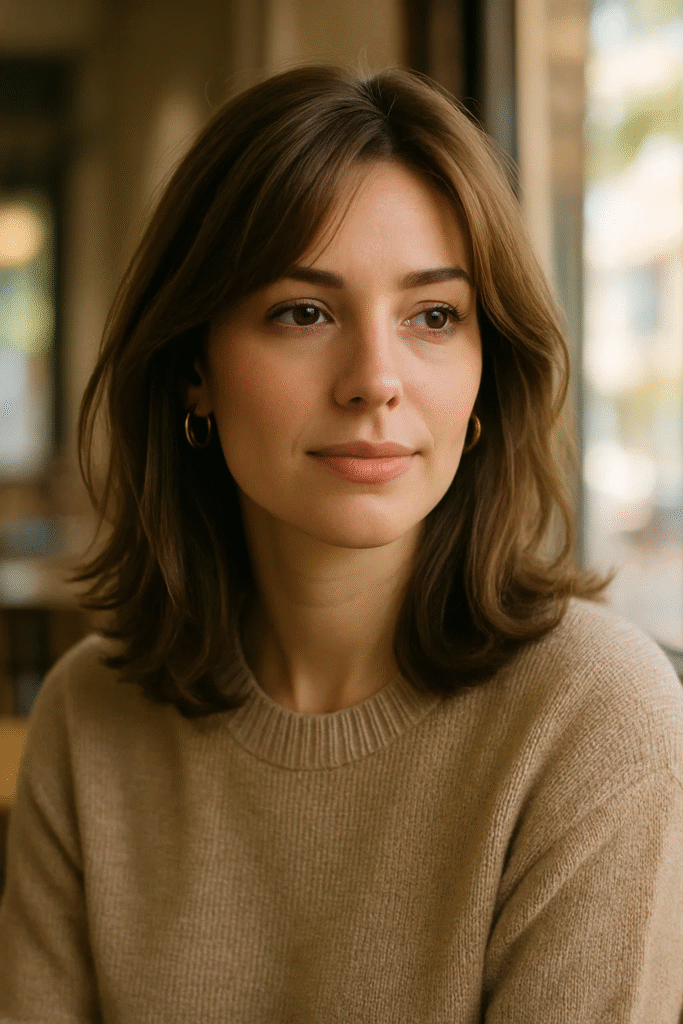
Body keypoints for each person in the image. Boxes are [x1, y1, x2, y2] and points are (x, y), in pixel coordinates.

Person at [1, 61, 682, 1024]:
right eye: (304, 312)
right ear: (194, 368)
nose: (375, 380)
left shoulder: (596, 717)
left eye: (434, 317)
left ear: (488, 377)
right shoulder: (88, 716)